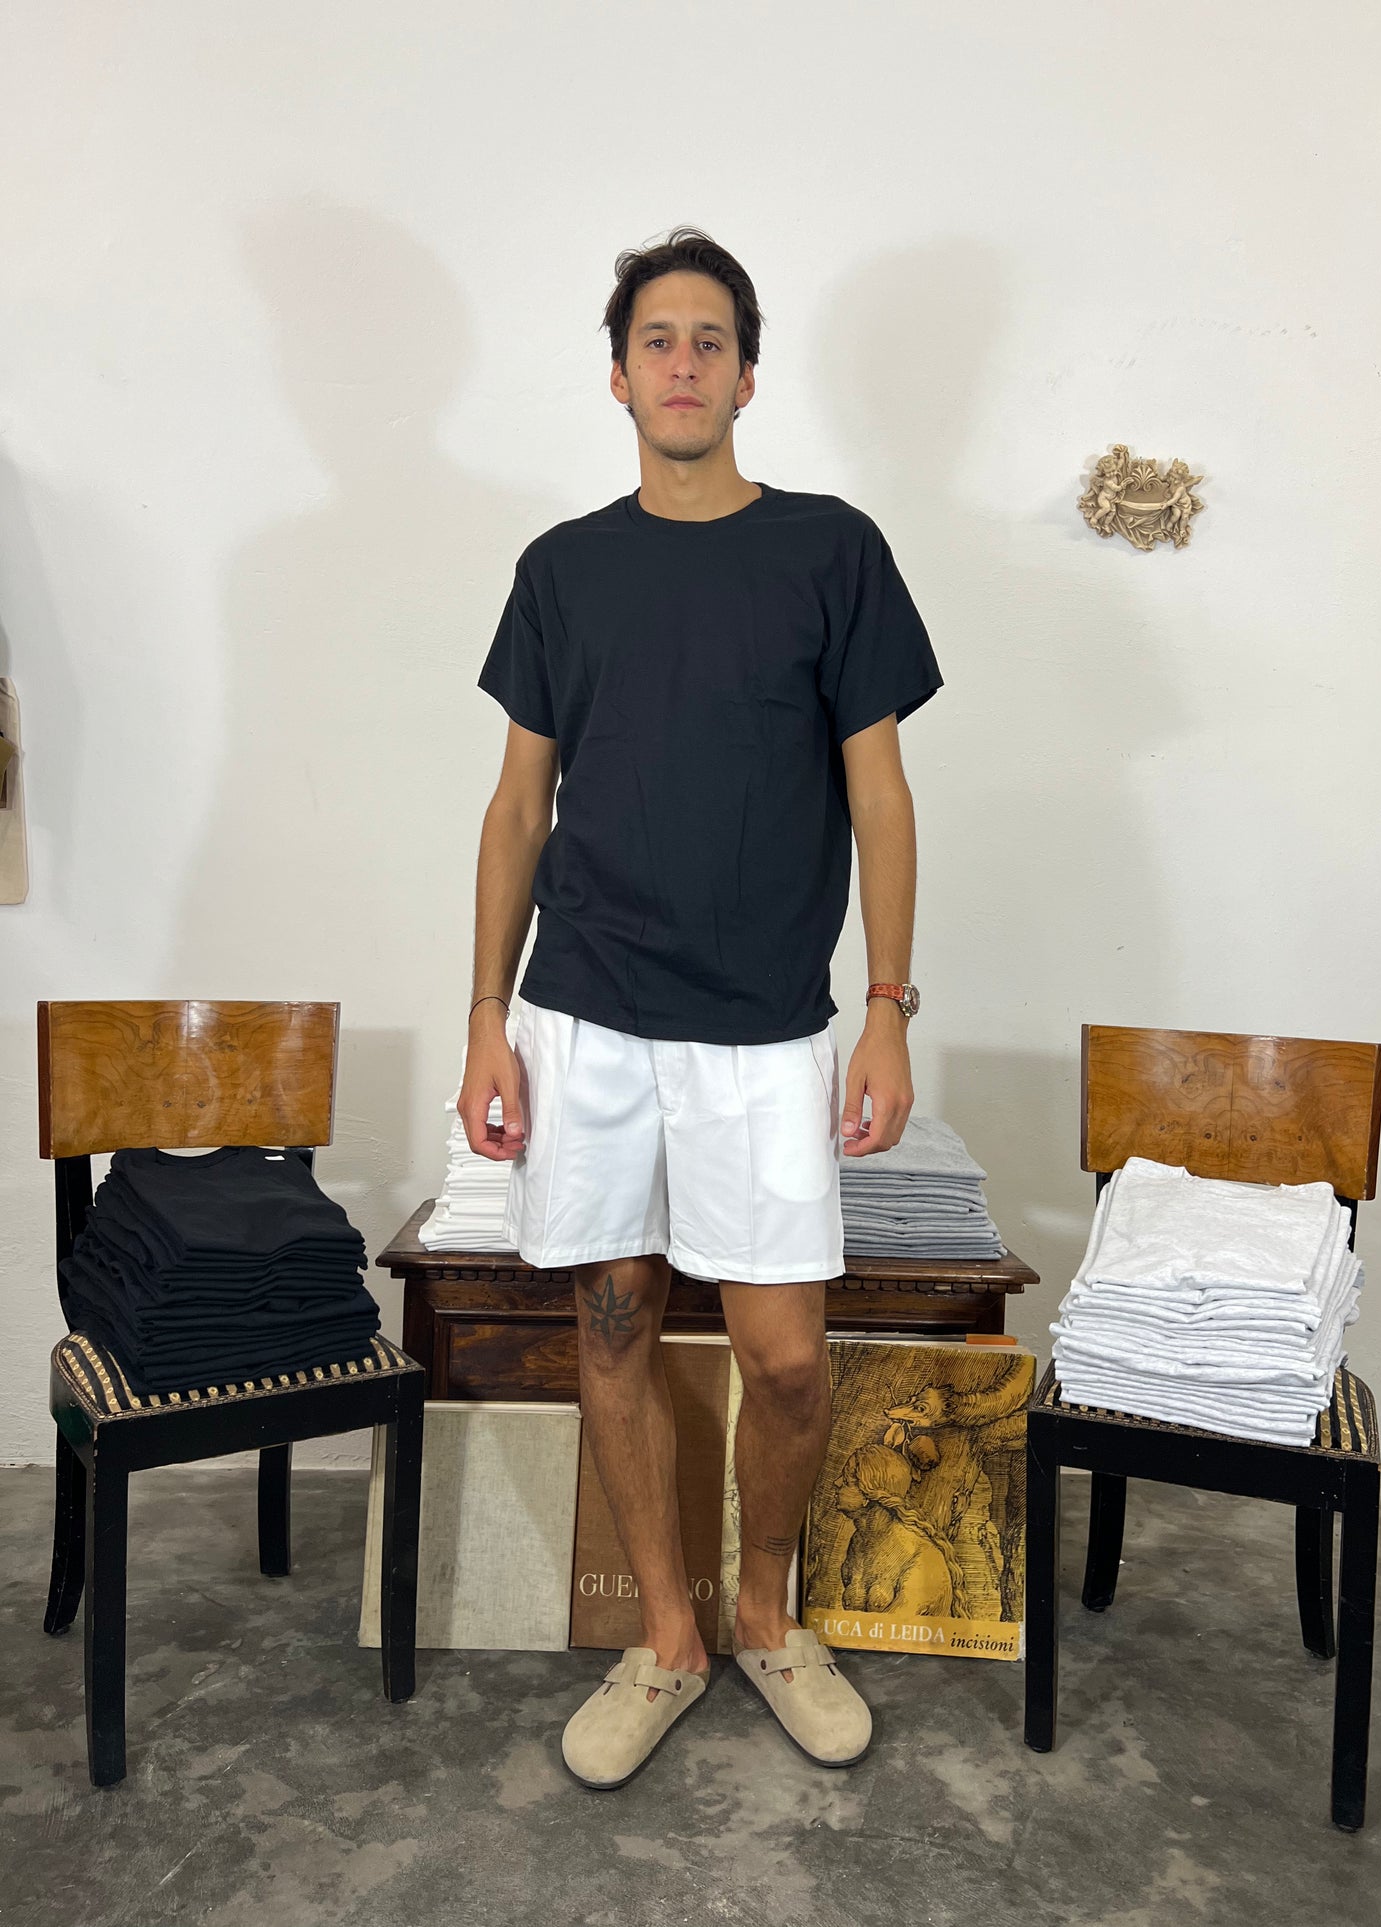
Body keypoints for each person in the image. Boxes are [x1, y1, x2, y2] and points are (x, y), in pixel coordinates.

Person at [458, 226, 944, 1790]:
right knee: (613, 1319)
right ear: (618, 377)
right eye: (655, 341)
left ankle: (762, 1615)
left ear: (746, 376)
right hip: (588, 1005)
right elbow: (518, 805)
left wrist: (886, 1006)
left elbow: (879, 794)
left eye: (709, 341)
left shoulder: (829, 550)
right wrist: (483, 1016)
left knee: (784, 1355)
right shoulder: (562, 569)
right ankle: (666, 1639)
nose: (682, 363)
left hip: (764, 1018)